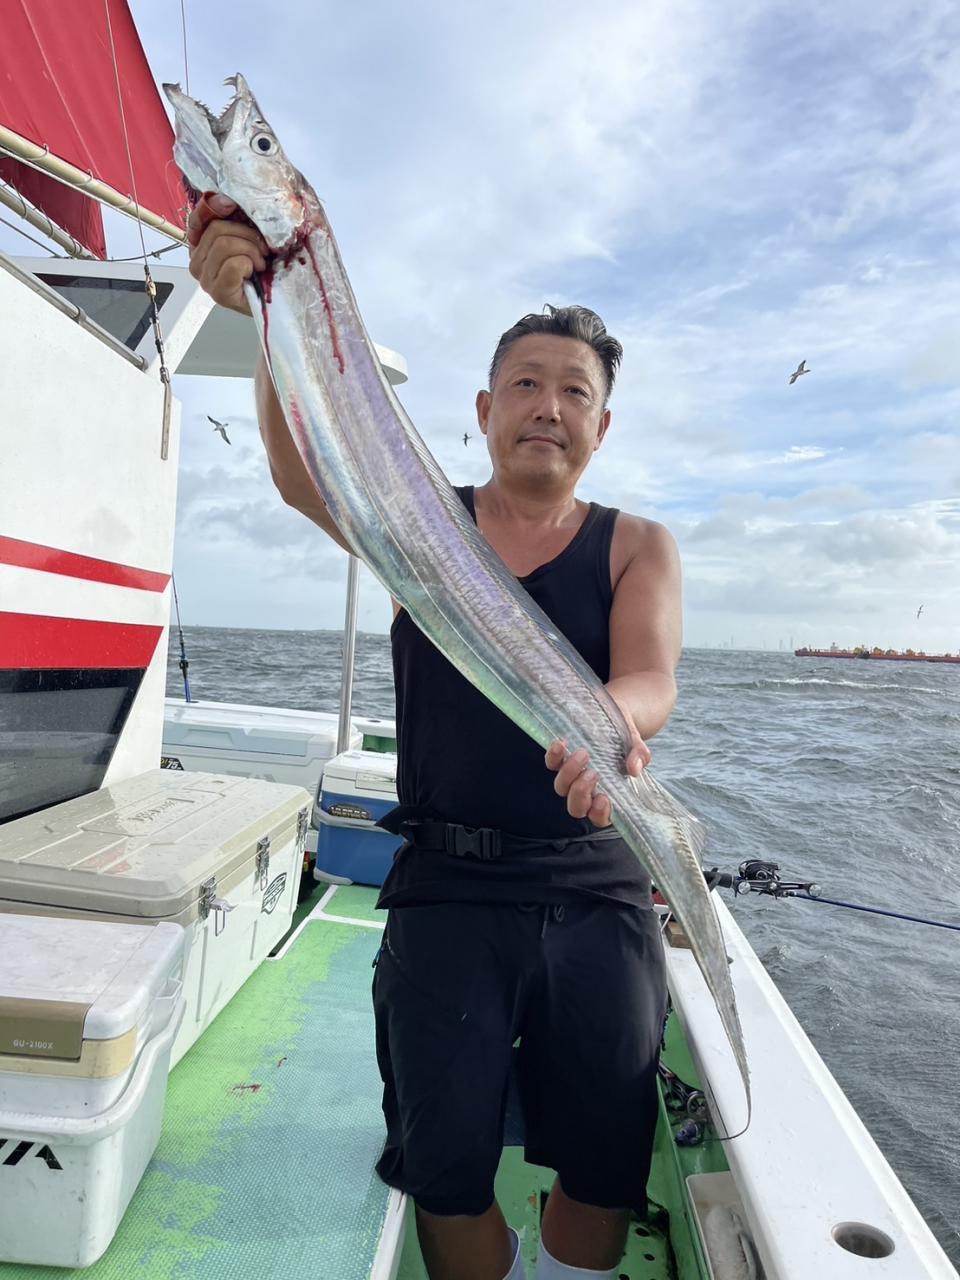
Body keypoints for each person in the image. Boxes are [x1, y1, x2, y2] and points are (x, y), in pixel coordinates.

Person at [187, 194, 681, 1280]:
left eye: (575, 391)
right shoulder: (422, 527)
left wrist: (609, 726)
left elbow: (650, 678)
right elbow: (300, 476)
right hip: (447, 889)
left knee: (603, 1164)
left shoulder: (637, 544)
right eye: (526, 385)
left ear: (603, 426)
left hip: (596, 884)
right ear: (485, 409)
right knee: (444, 1168)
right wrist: (264, 314)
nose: (548, 406)